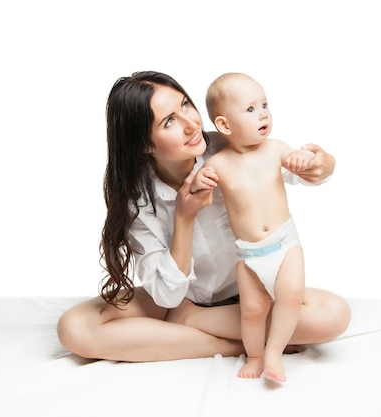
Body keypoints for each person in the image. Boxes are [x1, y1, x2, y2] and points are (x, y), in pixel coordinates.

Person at [56, 71, 351, 364]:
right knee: (75, 328)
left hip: (248, 295)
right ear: (144, 144)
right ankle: (241, 344)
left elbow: (300, 168)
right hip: (179, 301)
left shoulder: (229, 145)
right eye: (169, 121)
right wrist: (184, 217)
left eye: (185, 105)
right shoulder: (138, 198)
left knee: (333, 315)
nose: (191, 124)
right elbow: (167, 297)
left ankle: (195, 325)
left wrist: (323, 163)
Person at [189, 72, 315, 381]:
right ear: (224, 126)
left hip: (286, 246)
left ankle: (274, 351)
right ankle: (256, 355)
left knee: (290, 295)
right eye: (250, 109)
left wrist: (304, 156)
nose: (263, 114)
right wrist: (198, 181)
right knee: (253, 309)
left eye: (264, 105)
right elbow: (194, 187)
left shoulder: (275, 148)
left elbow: (300, 161)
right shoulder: (218, 164)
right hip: (248, 255)